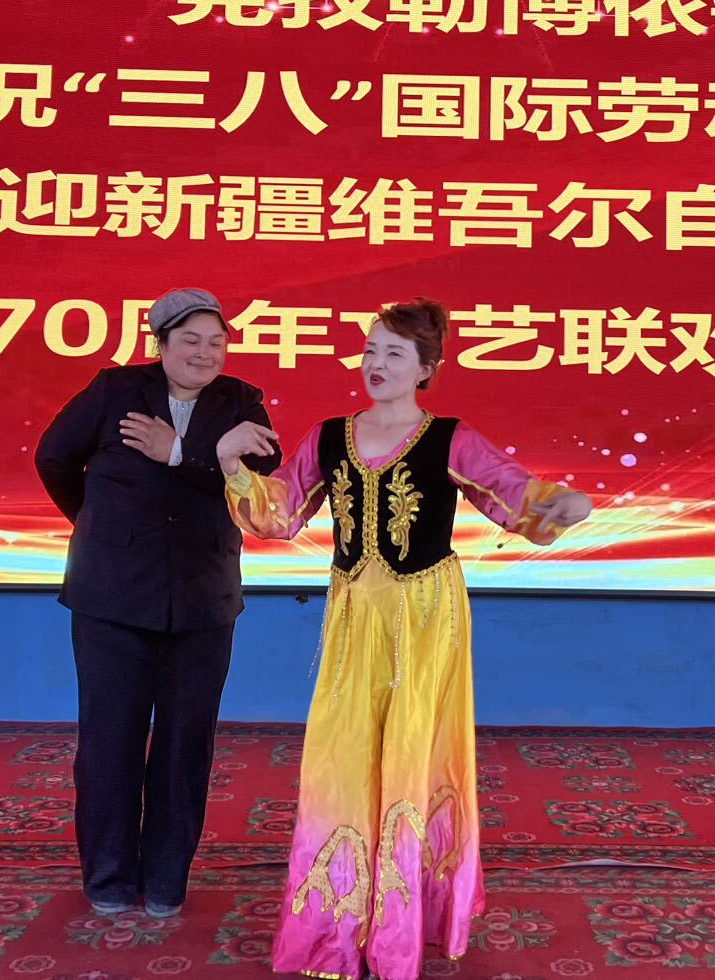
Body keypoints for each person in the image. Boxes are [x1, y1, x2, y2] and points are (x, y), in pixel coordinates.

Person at [214, 298, 592, 980]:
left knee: (416, 750)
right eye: (370, 350)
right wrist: (234, 467)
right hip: (354, 615)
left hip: (424, 617)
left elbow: (510, 493)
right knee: (341, 752)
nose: (376, 364)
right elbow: (280, 513)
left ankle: (404, 923)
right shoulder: (330, 436)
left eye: (394, 353)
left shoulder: (449, 437)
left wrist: (556, 505)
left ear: (425, 368)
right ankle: (335, 924)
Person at [34, 287, 283, 918]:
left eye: (216, 342)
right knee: (108, 741)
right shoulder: (115, 390)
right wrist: (98, 525)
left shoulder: (240, 403)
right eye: (190, 340)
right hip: (111, 596)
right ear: (161, 344)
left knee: (185, 744)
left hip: (203, 599)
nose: (205, 353)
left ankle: (168, 878)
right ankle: (109, 878)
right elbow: (54, 458)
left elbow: (261, 478)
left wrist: (180, 453)